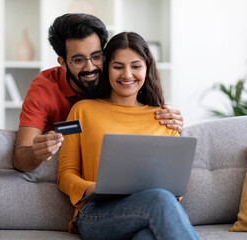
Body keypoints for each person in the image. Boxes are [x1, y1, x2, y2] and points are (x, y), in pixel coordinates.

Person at [57, 32, 200, 240]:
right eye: (118, 66)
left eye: (135, 66)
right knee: (159, 200)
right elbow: (64, 174)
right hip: (97, 213)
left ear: (147, 69)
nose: (127, 74)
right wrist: (91, 188)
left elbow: (177, 187)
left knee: (147, 236)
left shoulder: (163, 117)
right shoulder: (81, 110)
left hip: (149, 211)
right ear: (106, 69)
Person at [12, 13, 184, 172]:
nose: (90, 67)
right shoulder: (45, 90)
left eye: (96, 56)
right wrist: (36, 152)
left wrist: (172, 123)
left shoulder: (116, 77)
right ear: (63, 63)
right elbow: (20, 158)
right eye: (78, 60)